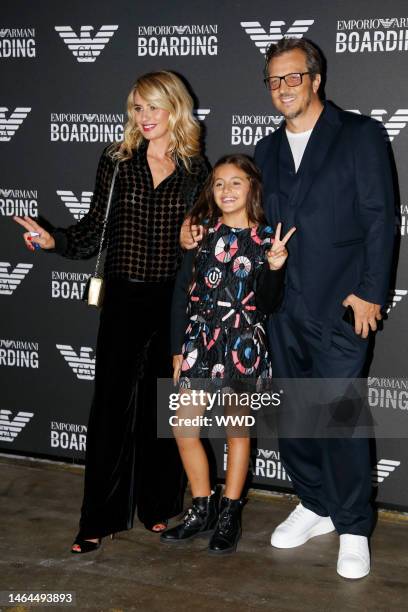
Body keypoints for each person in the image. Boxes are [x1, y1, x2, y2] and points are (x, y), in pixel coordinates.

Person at [180, 39, 395, 578]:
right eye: (274, 80)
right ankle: (316, 503)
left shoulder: (359, 135)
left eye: (293, 78)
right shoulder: (268, 149)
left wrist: (372, 290)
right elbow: (244, 215)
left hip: (343, 305)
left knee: (339, 416)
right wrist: (195, 224)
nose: (283, 89)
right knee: (295, 416)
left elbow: (379, 218)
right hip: (276, 307)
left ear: (316, 79)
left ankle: (351, 523)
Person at [14, 70, 209, 553]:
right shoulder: (117, 161)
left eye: (154, 107)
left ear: (175, 109)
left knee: (161, 406)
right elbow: (93, 229)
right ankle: (97, 518)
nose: (144, 117)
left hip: (171, 302)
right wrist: (53, 239)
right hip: (123, 297)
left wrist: (196, 242)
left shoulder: (196, 168)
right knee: (110, 410)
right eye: (137, 108)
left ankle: (159, 505)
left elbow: (203, 248)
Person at [161, 154, 295, 554]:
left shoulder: (267, 239)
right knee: (184, 428)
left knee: (237, 431)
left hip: (243, 346)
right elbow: (181, 294)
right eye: (219, 183)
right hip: (199, 342)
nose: (226, 190)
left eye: (236, 182)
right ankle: (202, 507)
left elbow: (269, 304)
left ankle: (229, 513)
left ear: (252, 187)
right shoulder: (201, 234)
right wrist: (176, 351)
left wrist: (275, 268)